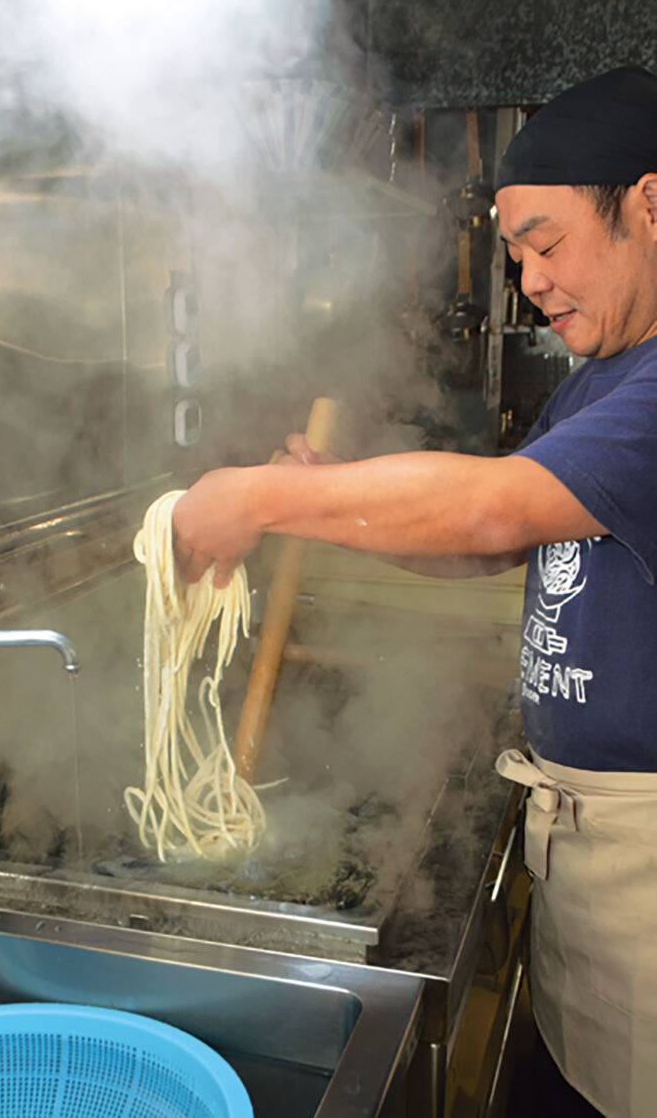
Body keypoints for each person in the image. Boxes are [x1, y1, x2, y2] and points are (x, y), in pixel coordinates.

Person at [172, 66, 657, 1118]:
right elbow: (489, 547)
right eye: (515, 254)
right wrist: (318, 501)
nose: (530, 279)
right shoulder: (600, 381)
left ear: (649, 204)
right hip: (589, 854)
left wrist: (258, 496)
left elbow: (489, 510)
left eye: (546, 242)